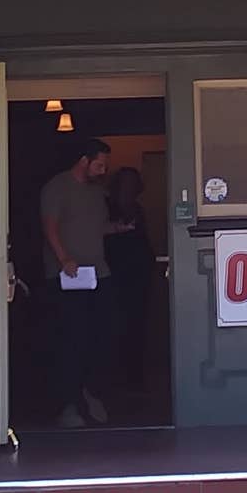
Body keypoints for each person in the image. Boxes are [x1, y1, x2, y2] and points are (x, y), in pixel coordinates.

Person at [36, 136, 114, 426]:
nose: (104, 170)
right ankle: (68, 405)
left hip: (98, 274)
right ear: (84, 160)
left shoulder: (97, 193)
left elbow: (94, 227)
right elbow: (50, 227)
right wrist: (64, 258)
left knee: (100, 338)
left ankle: (91, 394)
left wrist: (116, 228)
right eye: (100, 164)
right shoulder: (57, 188)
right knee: (69, 340)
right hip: (66, 278)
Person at [102, 165, 156, 392]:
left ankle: (135, 380)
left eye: (134, 185)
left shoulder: (137, 210)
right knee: (112, 329)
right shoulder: (105, 208)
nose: (130, 189)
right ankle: (112, 381)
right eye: (126, 184)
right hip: (112, 278)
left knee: (137, 329)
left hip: (138, 278)